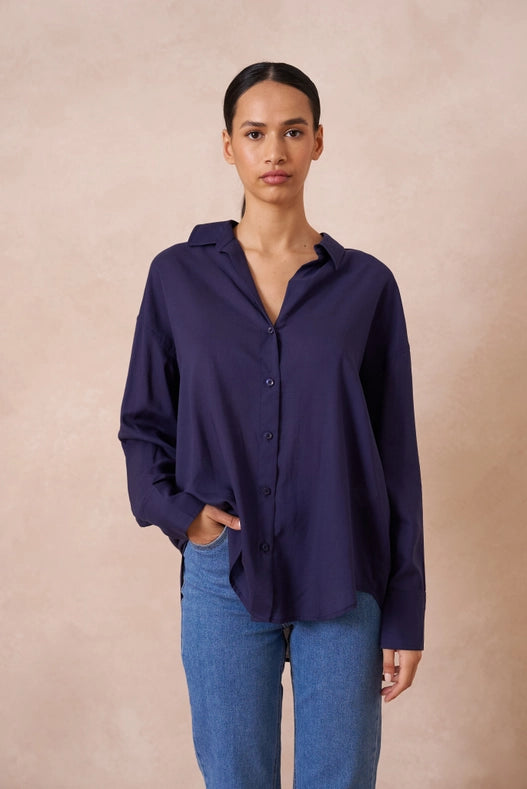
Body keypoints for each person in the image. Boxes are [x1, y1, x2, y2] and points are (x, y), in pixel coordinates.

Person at [118, 61, 425, 789]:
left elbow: (395, 458)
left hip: (343, 569)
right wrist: (183, 517)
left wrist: (405, 610)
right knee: (234, 779)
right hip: (223, 572)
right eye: (255, 133)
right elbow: (143, 420)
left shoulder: (366, 285)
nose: (274, 151)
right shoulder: (177, 276)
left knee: (340, 779)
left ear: (318, 141)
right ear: (228, 145)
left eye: (292, 131)